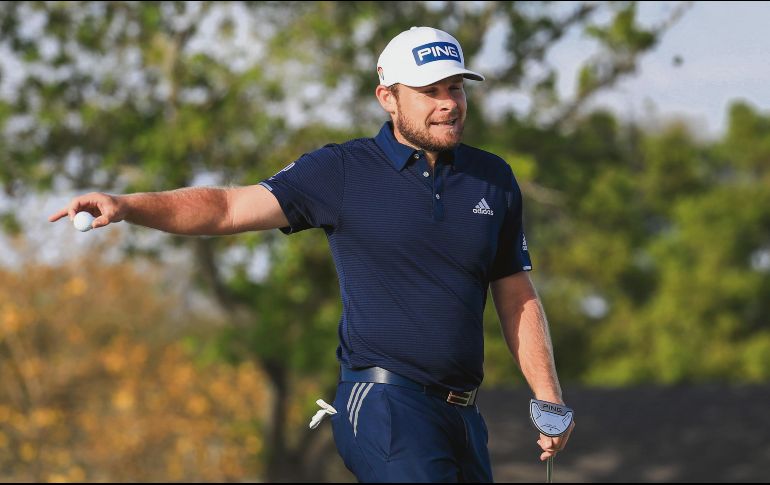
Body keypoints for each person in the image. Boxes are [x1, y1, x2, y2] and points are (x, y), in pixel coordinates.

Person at [50, 26, 573, 482]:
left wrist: (548, 396)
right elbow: (227, 208)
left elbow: (515, 292)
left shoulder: (493, 177)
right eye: (429, 91)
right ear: (388, 98)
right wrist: (128, 205)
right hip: (384, 402)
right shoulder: (342, 171)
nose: (448, 103)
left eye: (455, 88)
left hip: (464, 414)